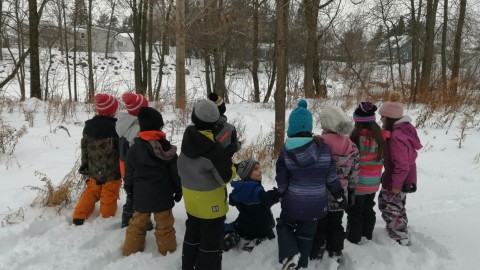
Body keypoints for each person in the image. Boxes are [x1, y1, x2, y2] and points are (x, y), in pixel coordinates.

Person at [275, 100, 345, 270]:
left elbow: (282, 180)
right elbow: (331, 178)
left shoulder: (286, 151)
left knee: (284, 225)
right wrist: (339, 195)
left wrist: (281, 193)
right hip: (316, 205)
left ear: (292, 128)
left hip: (292, 202)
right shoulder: (323, 149)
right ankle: (302, 264)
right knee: (306, 235)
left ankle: (291, 255)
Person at [177, 99, 237, 270]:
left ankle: (188, 265)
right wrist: (234, 167)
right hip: (212, 207)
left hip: (192, 202)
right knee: (210, 245)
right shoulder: (213, 149)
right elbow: (225, 177)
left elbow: (187, 165)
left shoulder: (188, 140)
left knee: (192, 235)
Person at [122, 107, 181, 256]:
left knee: (137, 225)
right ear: (159, 126)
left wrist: (129, 190)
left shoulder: (134, 149)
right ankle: (167, 251)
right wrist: (178, 189)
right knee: (165, 225)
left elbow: (128, 173)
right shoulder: (167, 148)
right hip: (163, 195)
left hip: (141, 195)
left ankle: (131, 250)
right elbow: (176, 173)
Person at [310, 105, 359, 263]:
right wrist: (351, 191)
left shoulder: (319, 143)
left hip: (320, 195)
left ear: (326, 124)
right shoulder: (352, 146)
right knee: (336, 224)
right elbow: (354, 172)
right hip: (340, 195)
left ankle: (317, 250)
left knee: (320, 224)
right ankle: (336, 251)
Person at [378, 91, 422, 246]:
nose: (380, 119)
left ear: (389, 118)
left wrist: (396, 185)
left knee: (388, 205)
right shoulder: (403, 130)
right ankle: (400, 228)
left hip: (398, 178)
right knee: (397, 205)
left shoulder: (397, 137)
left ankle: (400, 236)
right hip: (406, 177)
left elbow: (402, 164)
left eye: (382, 116)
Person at [73, 94, 122, 225]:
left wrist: (85, 164)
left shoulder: (89, 126)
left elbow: (84, 146)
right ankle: (107, 217)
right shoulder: (116, 127)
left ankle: (79, 215)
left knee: (92, 191)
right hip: (112, 170)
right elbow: (121, 149)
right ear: (112, 111)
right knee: (109, 194)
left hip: (94, 168)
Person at [346, 101, 387, 245]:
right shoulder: (381, 136)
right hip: (373, 183)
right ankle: (367, 235)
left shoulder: (354, 138)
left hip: (358, 184)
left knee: (356, 212)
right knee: (368, 209)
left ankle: (353, 238)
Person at [223, 159, 281, 252]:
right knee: (268, 225)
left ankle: (230, 234)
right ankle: (255, 238)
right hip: (262, 228)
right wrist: (278, 193)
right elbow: (266, 198)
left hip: (244, 226)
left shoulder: (241, 188)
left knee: (234, 225)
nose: (260, 171)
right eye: (256, 169)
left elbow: (232, 201)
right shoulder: (254, 188)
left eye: (259, 168)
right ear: (247, 174)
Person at [115, 92, 149, 228]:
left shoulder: (124, 124)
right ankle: (138, 220)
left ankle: (127, 219)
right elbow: (139, 153)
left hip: (124, 165)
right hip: (135, 169)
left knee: (131, 194)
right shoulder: (137, 129)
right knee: (139, 196)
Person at [208, 93, 242, 158]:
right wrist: (239, 143)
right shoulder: (230, 129)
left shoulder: (197, 127)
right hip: (222, 167)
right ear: (222, 109)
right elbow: (234, 147)